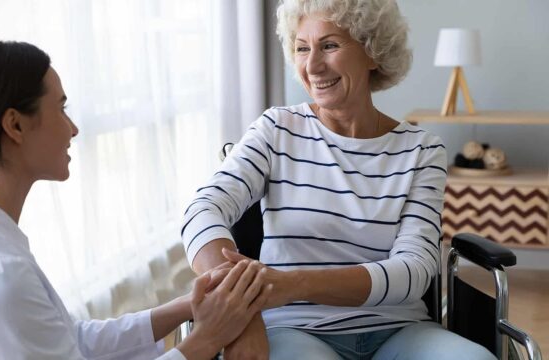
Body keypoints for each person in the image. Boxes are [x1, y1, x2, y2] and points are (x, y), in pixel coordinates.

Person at [0, 40, 272, 360]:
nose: (73, 129)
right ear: (15, 125)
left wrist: (185, 308)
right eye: (61, 108)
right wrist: (206, 340)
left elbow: (70, 339)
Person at [181, 0, 495, 359]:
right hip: (294, 327)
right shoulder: (276, 129)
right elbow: (202, 209)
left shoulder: (421, 151)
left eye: (329, 45)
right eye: (302, 48)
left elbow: (414, 270)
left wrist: (291, 284)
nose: (312, 66)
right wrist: (243, 311)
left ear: (373, 52)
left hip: (399, 329)